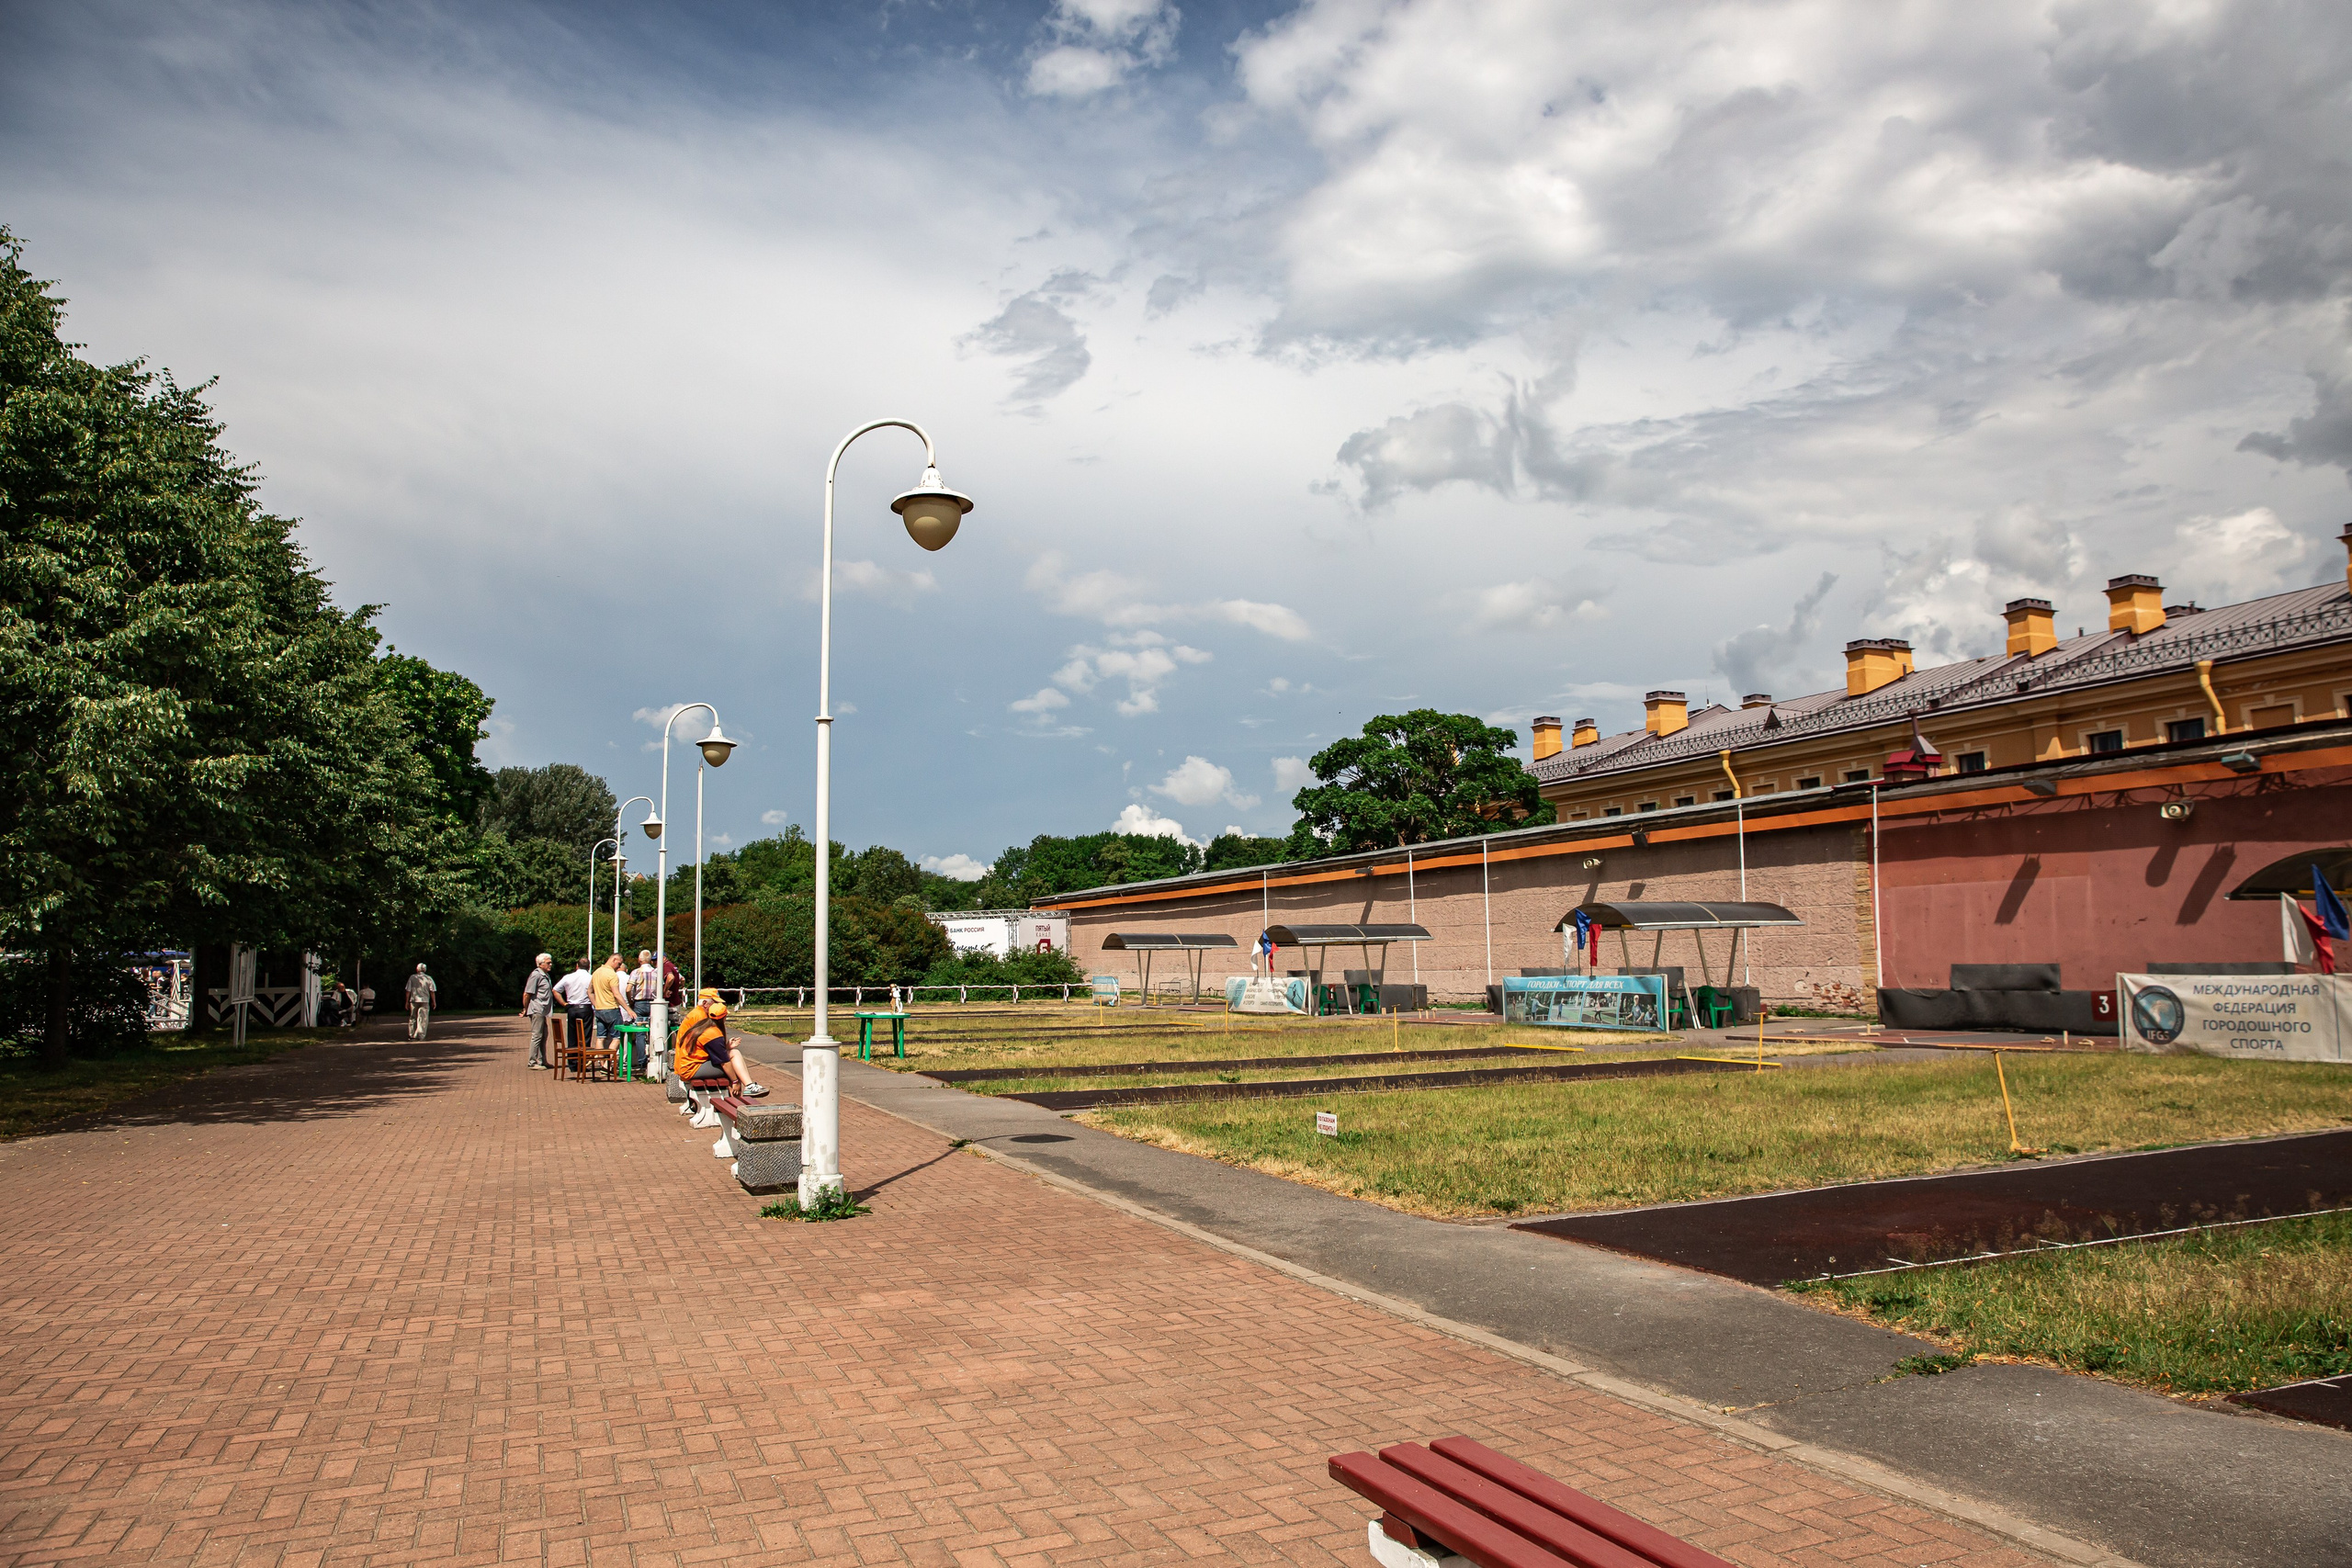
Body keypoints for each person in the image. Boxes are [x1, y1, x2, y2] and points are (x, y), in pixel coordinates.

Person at [672, 993, 767, 1098]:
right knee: (734, 1058)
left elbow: (709, 1051)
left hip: (687, 1066)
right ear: (723, 1017)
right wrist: (735, 1081)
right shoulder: (713, 1033)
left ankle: (748, 1086)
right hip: (692, 1069)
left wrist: (726, 1047)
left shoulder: (702, 1025)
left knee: (733, 1056)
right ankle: (749, 1086)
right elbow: (724, 1062)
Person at [552, 958, 595, 1064]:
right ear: (589, 967)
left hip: (572, 1007)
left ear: (577, 966)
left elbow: (555, 990)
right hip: (586, 1008)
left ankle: (572, 1061)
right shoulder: (591, 978)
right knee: (585, 1035)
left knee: (572, 1035)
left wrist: (564, 1004)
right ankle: (583, 1060)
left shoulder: (568, 977)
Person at [590, 951, 637, 1046]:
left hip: (599, 1009)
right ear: (614, 959)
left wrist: (596, 1004)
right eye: (619, 964)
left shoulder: (596, 972)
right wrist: (629, 1010)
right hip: (611, 1008)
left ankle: (602, 1061)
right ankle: (610, 1060)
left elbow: (589, 991)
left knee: (600, 1038)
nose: (619, 967)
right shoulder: (612, 975)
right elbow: (616, 994)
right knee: (617, 1037)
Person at [519, 953, 555, 1069]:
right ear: (540, 964)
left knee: (544, 1035)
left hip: (542, 1010)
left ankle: (542, 1060)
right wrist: (526, 1008)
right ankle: (532, 1062)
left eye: (550, 962)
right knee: (537, 1035)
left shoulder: (545, 975)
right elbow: (527, 994)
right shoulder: (536, 975)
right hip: (537, 1009)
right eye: (548, 963)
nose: (551, 964)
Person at [404, 964, 437, 1039]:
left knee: (413, 1017)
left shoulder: (412, 977)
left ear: (417, 969)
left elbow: (408, 990)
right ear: (425, 970)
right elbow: (432, 991)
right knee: (423, 1018)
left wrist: (406, 1002)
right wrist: (434, 1001)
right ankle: (421, 1035)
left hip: (414, 1000)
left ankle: (411, 1034)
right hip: (425, 1000)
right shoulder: (429, 978)